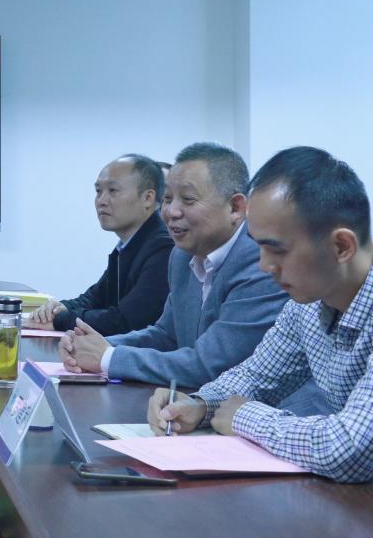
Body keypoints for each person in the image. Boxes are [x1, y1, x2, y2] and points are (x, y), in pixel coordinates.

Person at [151, 147, 373, 483]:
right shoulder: (306, 304)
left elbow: (350, 449)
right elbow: (257, 375)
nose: (265, 266)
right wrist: (199, 405)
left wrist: (245, 417)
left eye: (277, 250)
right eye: (259, 247)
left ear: (341, 246)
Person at [59, 142, 287, 387]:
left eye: (188, 199)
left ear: (235, 208)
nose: (171, 212)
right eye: (167, 199)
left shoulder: (260, 263)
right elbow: (166, 336)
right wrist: (94, 345)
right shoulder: (181, 256)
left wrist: (107, 357)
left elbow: (210, 366)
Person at [29, 155, 172, 335]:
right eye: (98, 191)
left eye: (113, 191)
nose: (101, 201)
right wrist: (58, 308)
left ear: (148, 198)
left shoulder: (164, 248)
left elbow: (126, 321)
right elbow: (93, 299)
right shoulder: (127, 245)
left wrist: (61, 320)